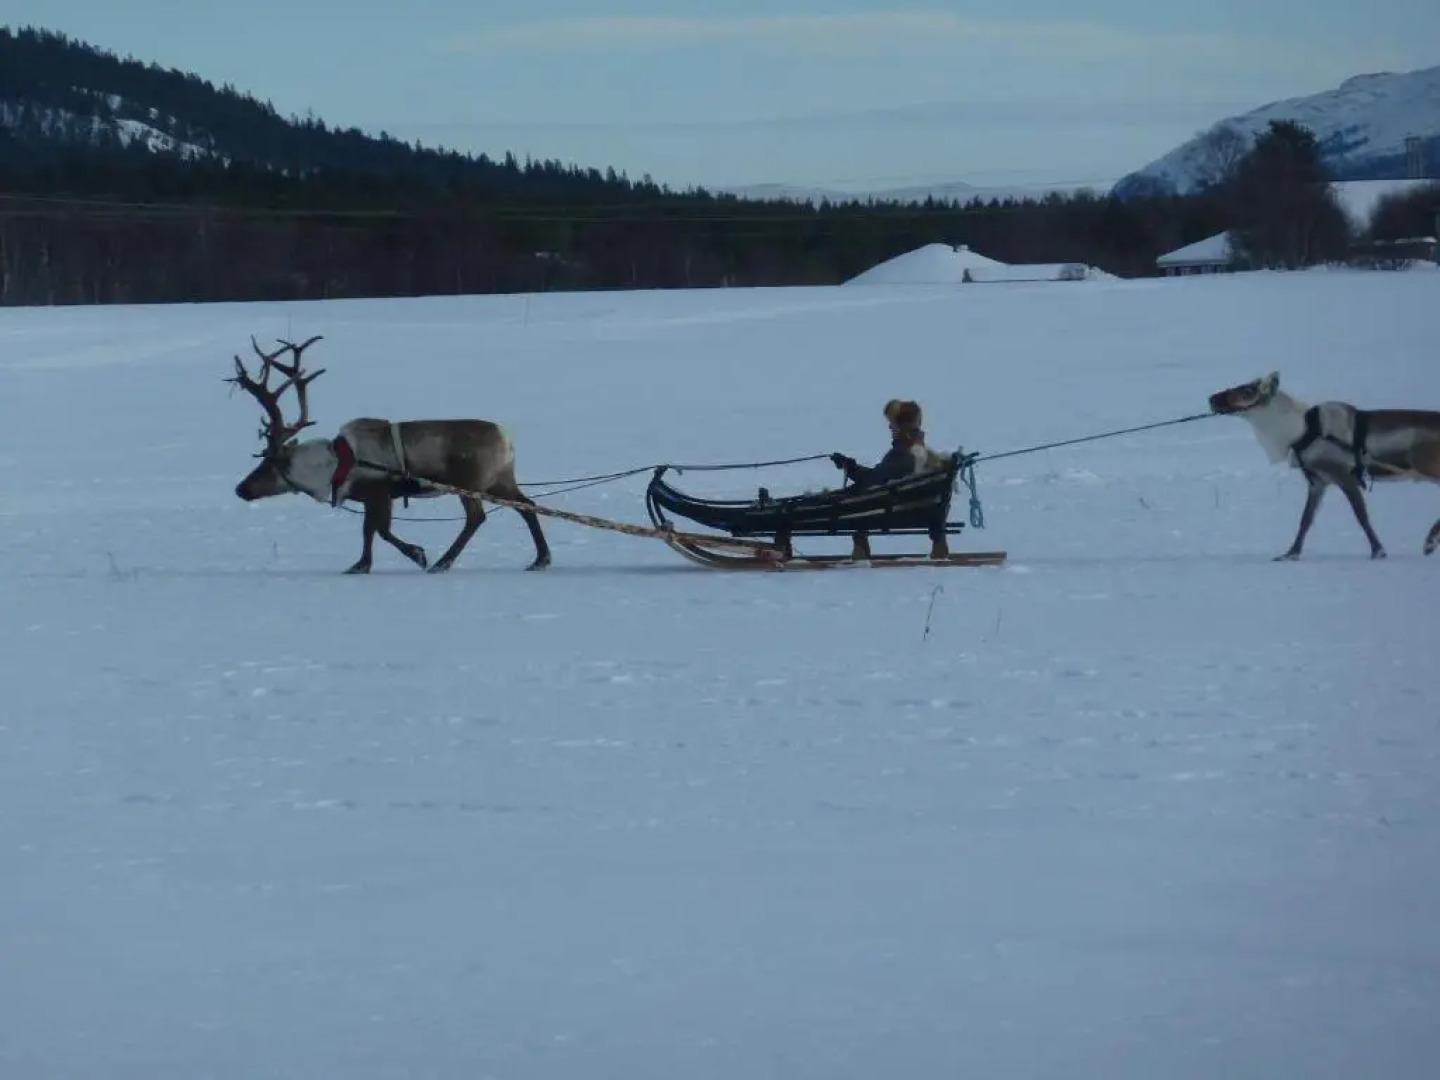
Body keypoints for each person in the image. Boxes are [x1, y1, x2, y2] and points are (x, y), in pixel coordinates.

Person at [829, 399, 951, 559]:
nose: (889, 427)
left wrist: (851, 468)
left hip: (894, 511)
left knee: (852, 505)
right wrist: (851, 467)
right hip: (922, 510)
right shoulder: (922, 453)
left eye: (892, 424)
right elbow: (879, 478)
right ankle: (940, 547)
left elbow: (872, 482)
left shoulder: (902, 454)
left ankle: (860, 550)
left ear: (903, 427)